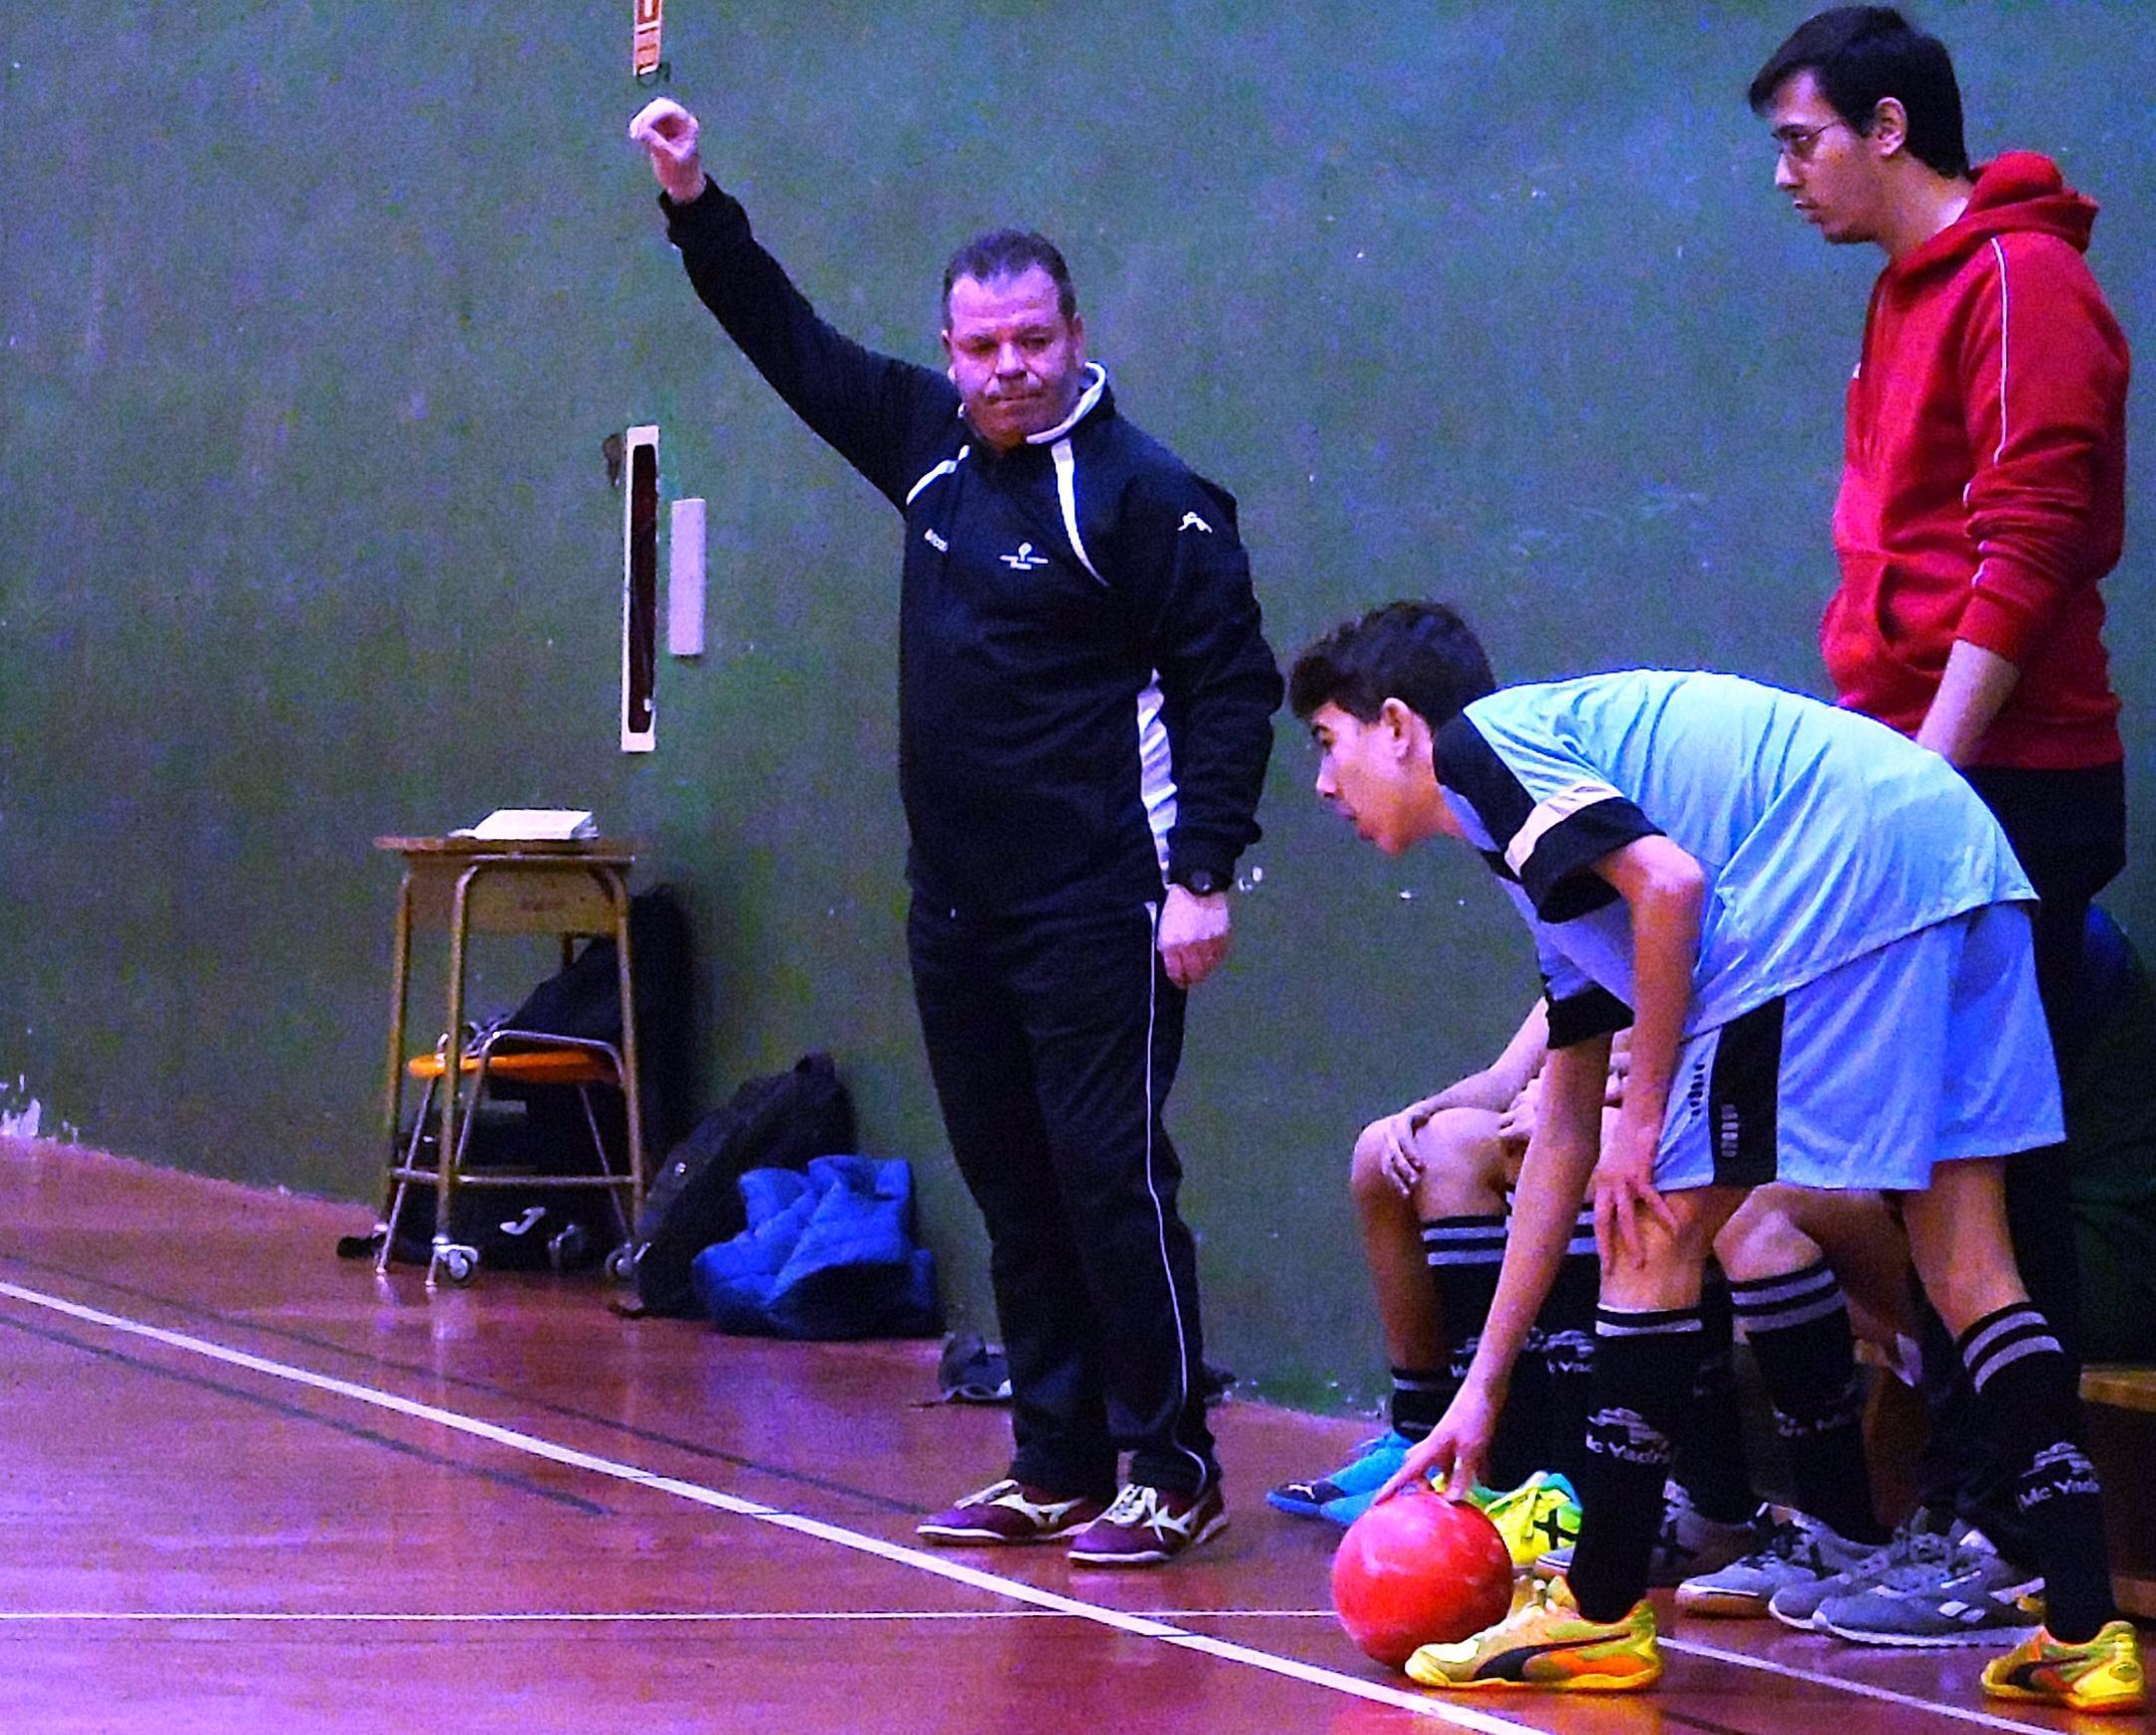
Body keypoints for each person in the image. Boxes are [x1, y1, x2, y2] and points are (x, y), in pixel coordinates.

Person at [629, 98, 1282, 1565]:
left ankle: (1170, 1462)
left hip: (1104, 902)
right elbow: (783, 336)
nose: (1006, 369)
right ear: (949, 352)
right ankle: (1054, 1458)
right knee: (1009, 1178)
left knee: (1106, 1175)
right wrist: (693, 196)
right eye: (980, 348)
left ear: (1072, 333)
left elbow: (1229, 687)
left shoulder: (1147, 498)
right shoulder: (924, 445)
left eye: (1030, 343)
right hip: (960, 904)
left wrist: (1201, 877)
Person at [1290, 602, 2140, 1714]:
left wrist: (1642, 1124)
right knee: (1972, 1268)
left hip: (1840, 870)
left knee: (1649, 1230)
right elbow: (1560, 1128)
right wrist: (1478, 1389)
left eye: (1326, 743)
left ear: (1396, 725)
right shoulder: (1549, 855)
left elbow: (1675, 890)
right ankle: (2082, 1627)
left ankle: (1594, 1612)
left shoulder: (1479, 749)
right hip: (1964, 858)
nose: (1320, 784)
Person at [1749, 5, 2132, 1643]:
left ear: (1890, 127)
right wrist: (1866, 770)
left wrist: (1930, 774)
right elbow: (1896, 585)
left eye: (1803, 140)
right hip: (1922, 773)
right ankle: (1975, 1515)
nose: (1787, 174)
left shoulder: (2019, 280)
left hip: (2006, 782)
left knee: (1999, 1168)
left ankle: (2011, 1539)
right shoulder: (1903, 301)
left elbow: (2027, 543)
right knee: (1953, 1156)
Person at [1270, 1002, 1908, 1619]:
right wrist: (1423, 1114)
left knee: (1603, 1155)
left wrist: (1619, 1105)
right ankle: (1478, 1463)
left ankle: (1631, 1489)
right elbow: (1507, 1079)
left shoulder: (1734, 919)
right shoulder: (1601, 935)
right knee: (1439, 1145)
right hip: (1717, 1145)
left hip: (1841, 1196)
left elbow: (1782, 1096)